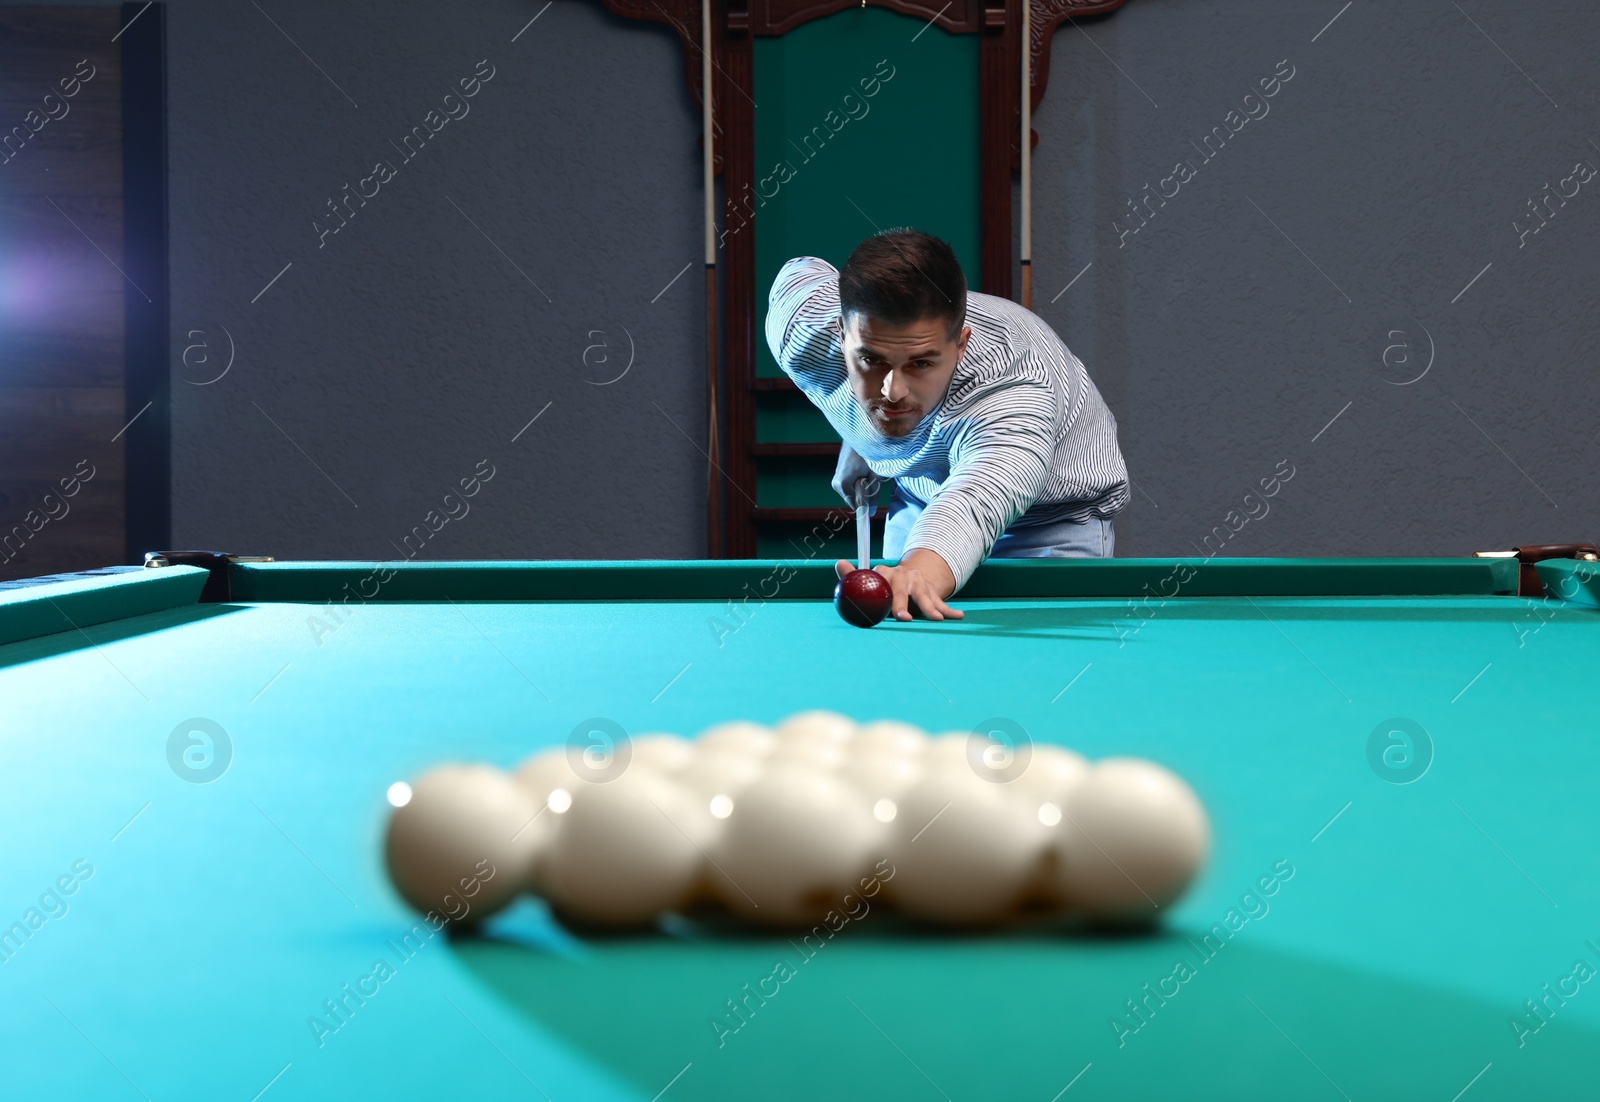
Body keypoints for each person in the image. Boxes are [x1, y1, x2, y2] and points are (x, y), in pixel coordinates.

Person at [765, 228, 1128, 622]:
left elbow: (980, 497)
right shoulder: (802, 330)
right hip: (923, 495)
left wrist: (917, 572)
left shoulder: (1013, 386)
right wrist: (861, 435)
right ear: (840, 334)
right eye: (872, 360)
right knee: (906, 632)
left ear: (961, 346)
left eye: (921, 363)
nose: (893, 391)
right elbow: (800, 273)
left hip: (1050, 522)